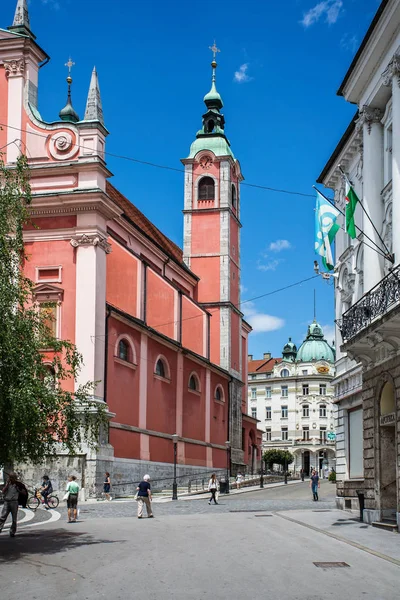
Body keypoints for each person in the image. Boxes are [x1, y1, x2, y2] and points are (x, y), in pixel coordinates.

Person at [0, 472, 19, 537]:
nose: (9, 478)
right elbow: (3, 491)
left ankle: (12, 531)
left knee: (14, 518)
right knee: (3, 517)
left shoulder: (18, 484)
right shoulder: (8, 484)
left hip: (14, 502)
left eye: (11, 477)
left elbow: (23, 492)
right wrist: (7, 484)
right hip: (7, 501)